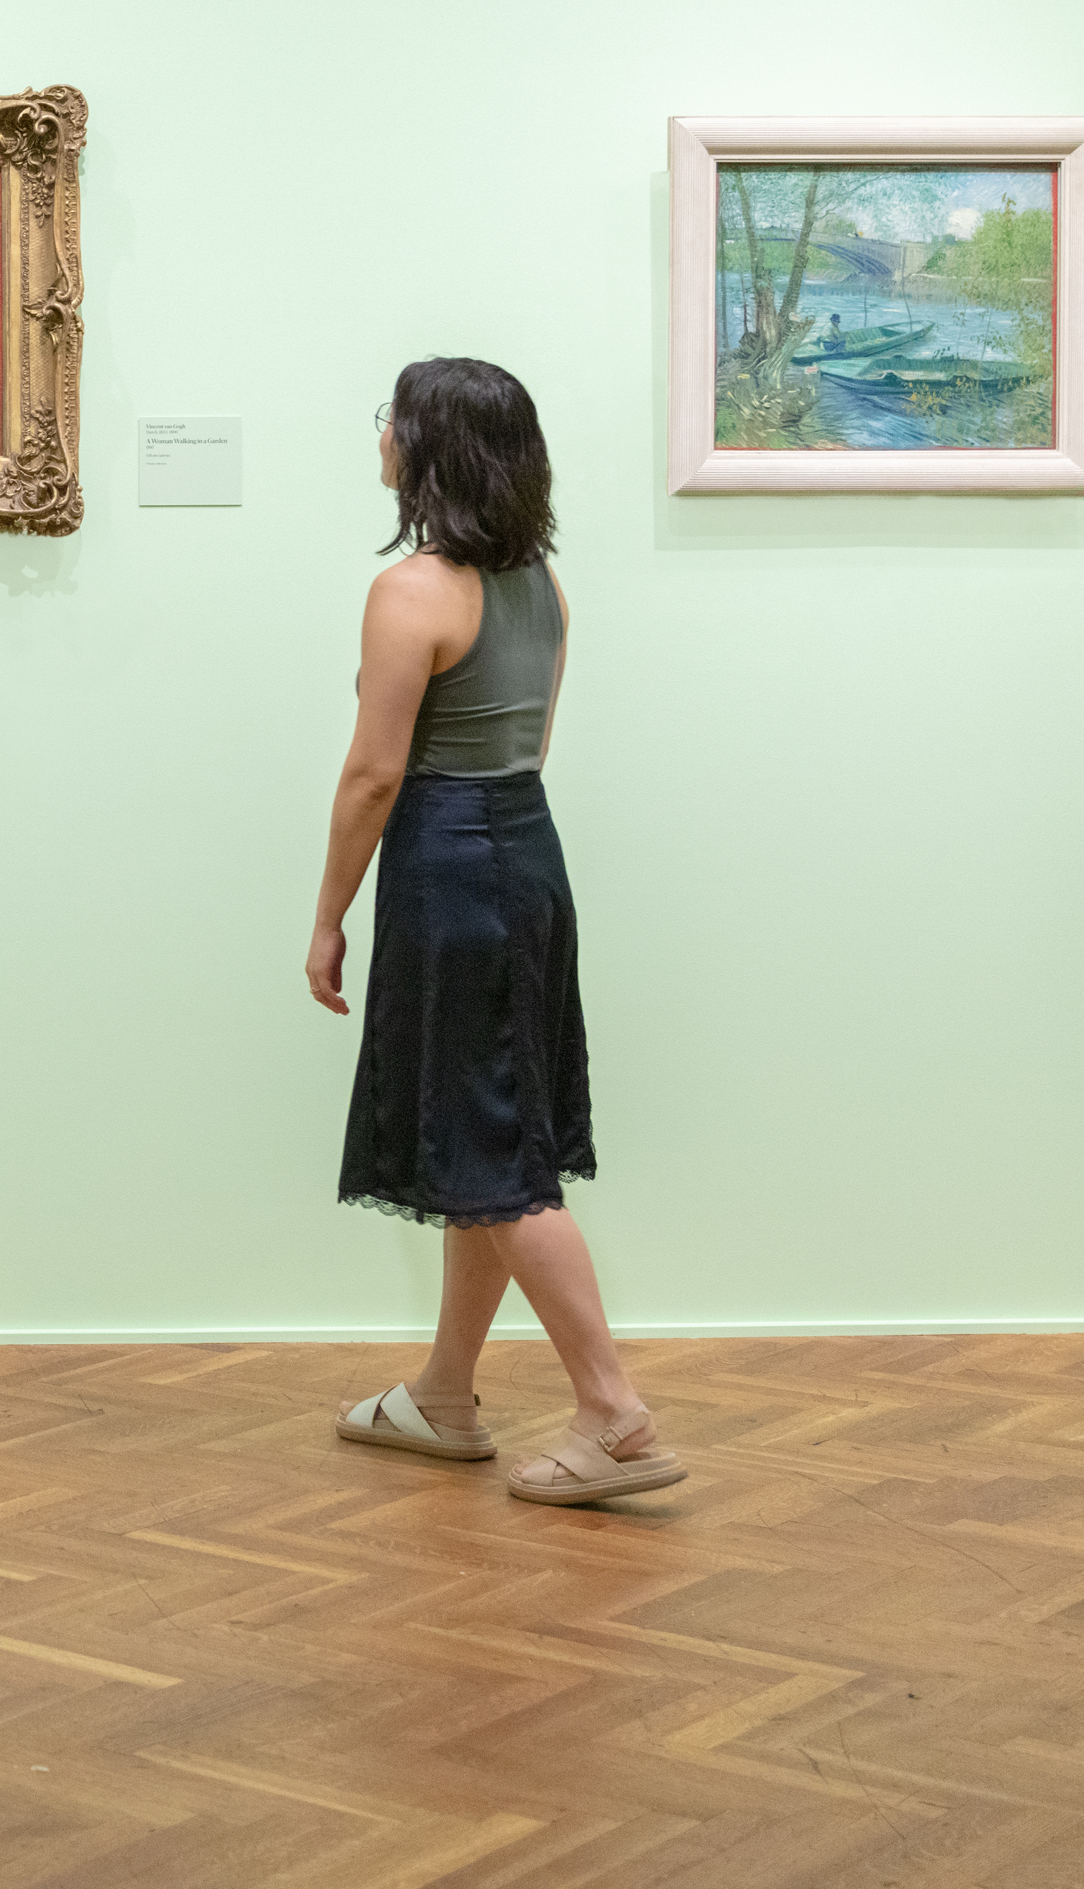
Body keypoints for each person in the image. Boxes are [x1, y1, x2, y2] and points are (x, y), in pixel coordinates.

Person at [308, 359, 684, 1507]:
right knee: (487, 1138)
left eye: (392, 419)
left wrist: (327, 917)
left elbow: (375, 776)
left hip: (449, 866)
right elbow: (534, 748)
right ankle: (445, 1396)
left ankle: (615, 1416)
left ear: (428, 451)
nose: (379, 434)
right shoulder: (542, 588)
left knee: (501, 1160)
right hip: (527, 854)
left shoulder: (412, 592)